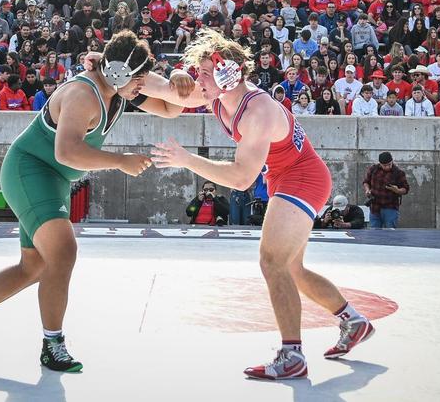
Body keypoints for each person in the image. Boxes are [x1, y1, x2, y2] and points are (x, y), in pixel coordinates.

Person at [146, 28, 375, 380]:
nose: (198, 80)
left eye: (204, 73)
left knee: (271, 261)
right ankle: (352, 320)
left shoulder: (258, 111)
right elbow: (165, 91)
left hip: (303, 177)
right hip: (286, 178)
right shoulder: (217, 93)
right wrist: (113, 74)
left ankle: (292, 355)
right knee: (291, 269)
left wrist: (186, 159)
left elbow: (240, 179)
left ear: (227, 73)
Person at [0, 31, 168, 373]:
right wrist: (120, 161)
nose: (143, 86)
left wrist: (178, 79)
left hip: (53, 178)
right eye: (139, 79)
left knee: (34, 266)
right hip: (30, 171)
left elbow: (170, 107)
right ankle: (53, 344)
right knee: (63, 252)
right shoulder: (82, 95)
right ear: (118, 73)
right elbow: (66, 151)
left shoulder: (118, 88)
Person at [362, 151, 408, 229]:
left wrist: (397, 190)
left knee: (390, 233)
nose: (387, 167)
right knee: (374, 233)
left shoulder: (398, 173)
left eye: (389, 164)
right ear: (380, 163)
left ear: (392, 161)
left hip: (390, 207)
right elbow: (366, 182)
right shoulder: (373, 169)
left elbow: (406, 189)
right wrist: (367, 190)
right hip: (375, 207)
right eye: (384, 165)